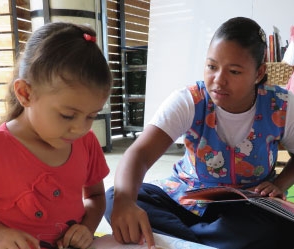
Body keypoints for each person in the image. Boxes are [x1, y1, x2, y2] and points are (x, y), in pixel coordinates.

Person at [105, 17, 294, 249]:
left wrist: (281, 183)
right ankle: (210, 243)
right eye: (212, 66)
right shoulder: (190, 100)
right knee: (115, 197)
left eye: (234, 71)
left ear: (259, 73)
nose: (218, 80)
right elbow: (140, 154)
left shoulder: (281, 106)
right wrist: (125, 202)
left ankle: (178, 241)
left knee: (281, 225)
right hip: (184, 198)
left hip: (245, 206)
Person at [0, 22, 112, 249]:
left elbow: (96, 197)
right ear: (25, 93)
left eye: (91, 116)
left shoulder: (86, 143)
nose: (80, 128)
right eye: (68, 115)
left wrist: (87, 228)